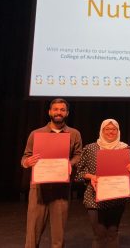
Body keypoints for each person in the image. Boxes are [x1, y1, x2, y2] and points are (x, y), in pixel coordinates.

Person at [21, 98, 82, 248]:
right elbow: (25, 157)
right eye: (55, 109)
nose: (58, 112)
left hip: (61, 188)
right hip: (39, 188)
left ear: (67, 113)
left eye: (62, 109)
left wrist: (70, 163)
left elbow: (79, 155)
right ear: (49, 112)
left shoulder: (74, 134)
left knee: (58, 236)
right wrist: (27, 162)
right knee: (32, 234)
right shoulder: (36, 134)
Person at [75, 119, 130, 248]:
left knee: (113, 234)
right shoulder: (90, 148)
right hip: (94, 199)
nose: (111, 132)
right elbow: (78, 174)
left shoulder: (125, 149)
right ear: (101, 131)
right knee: (99, 235)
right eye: (107, 129)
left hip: (117, 199)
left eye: (114, 129)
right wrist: (91, 176)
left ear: (118, 131)